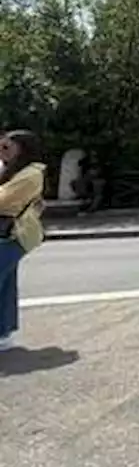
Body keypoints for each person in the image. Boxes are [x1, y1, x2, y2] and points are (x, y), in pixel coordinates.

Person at [0, 130, 46, 350]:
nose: (2, 152)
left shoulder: (31, 174)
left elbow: (3, 201)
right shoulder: (14, 171)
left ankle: (4, 333)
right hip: (9, 235)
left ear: (22, 149)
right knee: (6, 285)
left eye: (7, 147)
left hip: (13, 235)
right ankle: (4, 334)